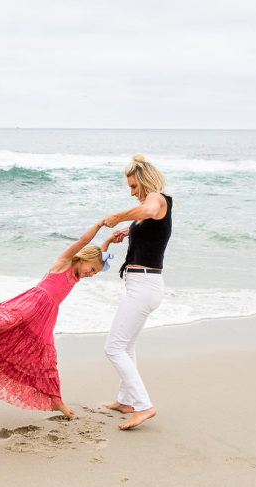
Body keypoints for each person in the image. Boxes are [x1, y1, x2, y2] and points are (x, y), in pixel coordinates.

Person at [0, 221, 119, 419]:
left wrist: (109, 240)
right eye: (92, 270)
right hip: (34, 301)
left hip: (46, 316)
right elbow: (85, 241)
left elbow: (98, 254)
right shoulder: (65, 262)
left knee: (45, 356)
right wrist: (101, 225)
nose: (91, 275)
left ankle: (56, 401)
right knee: (9, 318)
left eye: (94, 273)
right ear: (83, 259)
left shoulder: (78, 272)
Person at [102, 154, 172, 430]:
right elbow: (148, 224)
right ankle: (126, 401)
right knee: (126, 346)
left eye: (133, 187)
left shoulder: (157, 199)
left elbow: (147, 210)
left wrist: (117, 216)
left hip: (144, 286)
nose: (132, 193)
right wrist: (127, 231)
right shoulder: (149, 208)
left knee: (113, 348)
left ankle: (143, 405)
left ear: (144, 182)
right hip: (143, 285)